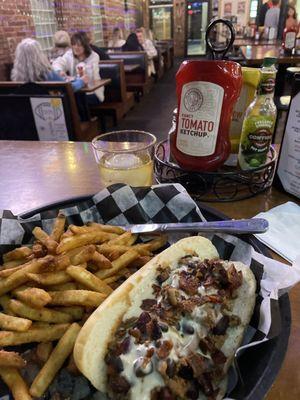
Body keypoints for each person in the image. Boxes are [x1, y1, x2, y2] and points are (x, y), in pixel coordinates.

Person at [11, 38, 87, 92]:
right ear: (38, 55)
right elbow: (69, 88)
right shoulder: (48, 75)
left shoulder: (17, 78)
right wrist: (82, 81)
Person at [52, 31, 104, 105]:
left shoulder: (94, 56)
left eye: (79, 45)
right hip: (76, 91)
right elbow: (58, 62)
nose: (76, 47)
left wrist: (72, 78)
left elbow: (88, 77)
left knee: (73, 99)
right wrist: (59, 71)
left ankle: (80, 117)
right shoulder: (69, 54)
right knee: (64, 99)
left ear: (85, 46)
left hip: (92, 91)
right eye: (74, 44)